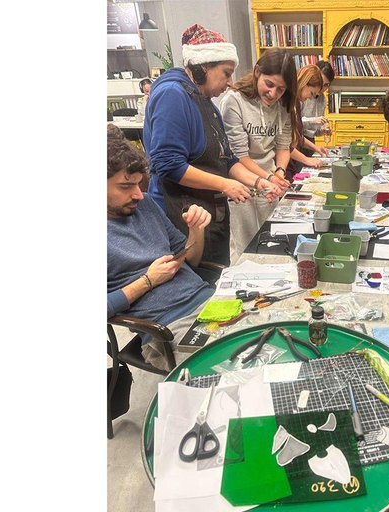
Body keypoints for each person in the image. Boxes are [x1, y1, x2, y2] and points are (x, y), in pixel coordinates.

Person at [143, 23, 282, 266]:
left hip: (207, 213)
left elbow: (226, 160)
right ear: (203, 66)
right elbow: (168, 164)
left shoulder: (204, 99)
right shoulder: (172, 94)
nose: (230, 82)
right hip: (180, 216)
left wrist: (261, 182)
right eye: (226, 73)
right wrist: (224, 184)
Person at [107, 132, 215, 369]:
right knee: (226, 372)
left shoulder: (145, 205)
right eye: (126, 186)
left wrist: (196, 230)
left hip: (211, 301)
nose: (138, 194)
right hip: (170, 327)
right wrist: (148, 281)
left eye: (138, 184)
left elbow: (191, 261)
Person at [219, 47, 298, 256]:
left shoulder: (283, 104)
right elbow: (239, 156)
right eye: (269, 84)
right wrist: (270, 177)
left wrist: (279, 173)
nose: (273, 93)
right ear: (257, 72)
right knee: (245, 246)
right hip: (241, 183)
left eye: (280, 89)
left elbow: (282, 146)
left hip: (270, 180)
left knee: (272, 240)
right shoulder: (234, 101)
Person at [287, 64, 327, 176]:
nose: (311, 98)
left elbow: (297, 136)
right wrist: (306, 159)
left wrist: (315, 147)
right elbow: (284, 144)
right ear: (305, 82)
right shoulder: (287, 104)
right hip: (285, 162)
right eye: (312, 93)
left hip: (293, 160)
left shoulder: (296, 104)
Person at [300, 60, 334, 157]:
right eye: (321, 84)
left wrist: (322, 130)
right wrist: (314, 120)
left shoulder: (322, 99)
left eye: (326, 85)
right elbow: (295, 125)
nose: (322, 89)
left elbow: (314, 130)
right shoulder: (302, 95)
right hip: (298, 141)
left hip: (309, 143)